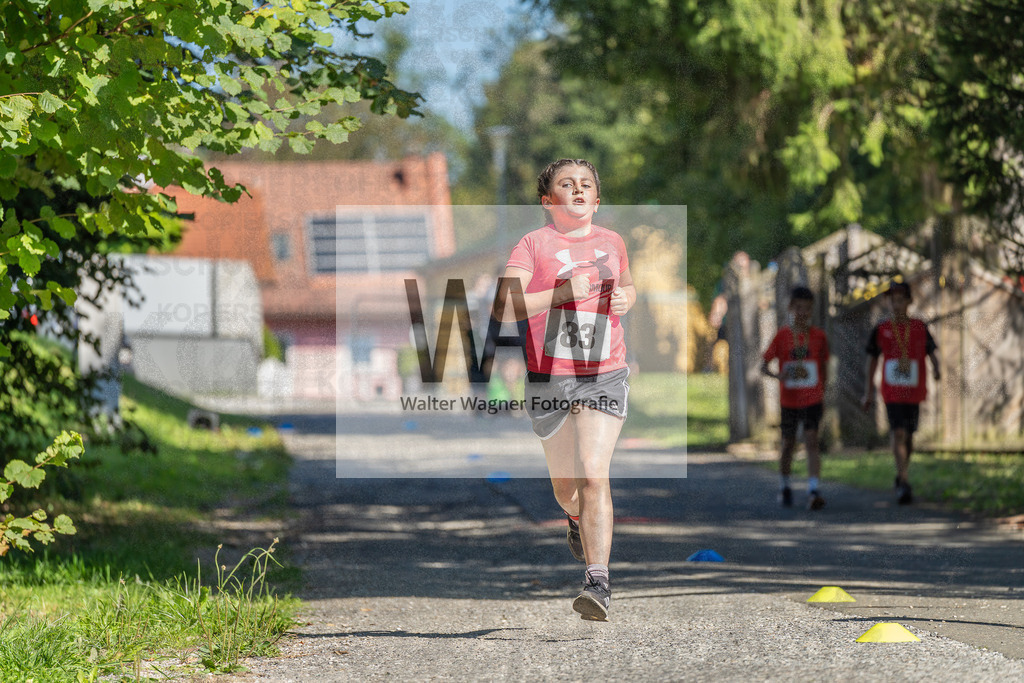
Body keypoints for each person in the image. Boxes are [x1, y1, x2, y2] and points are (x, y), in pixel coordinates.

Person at [499, 158, 635, 621]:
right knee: (566, 490)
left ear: (597, 199)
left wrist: (626, 297)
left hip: (604, 371)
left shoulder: (613, 242)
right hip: (549, 376)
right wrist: (561, 293)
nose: (577, 190)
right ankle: (574, 520)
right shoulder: (533, 244)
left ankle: (597, 582)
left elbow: (630, 288)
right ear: (548, 200)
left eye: (586, 185)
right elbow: (505, 306)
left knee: (594, 474)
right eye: (565, 184)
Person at [862, 280, 940, 505]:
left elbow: (931, 350)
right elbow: (872, 360)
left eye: (900, 300)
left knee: (910, 435)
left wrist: (937, 368)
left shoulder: (919, 327)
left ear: (909, 301)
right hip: (892, 391)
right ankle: (904, 480)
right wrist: (868, 392)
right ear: (887, 303)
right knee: (898, 432)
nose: (896, 305)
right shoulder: (881, 329)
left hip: (914, 391)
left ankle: (901, 474)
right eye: (891, 300)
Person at [761, 286, 830, 510]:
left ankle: (813, 489)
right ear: (791, 308)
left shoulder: (819, 336)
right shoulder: (782, 336)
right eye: (798, 307)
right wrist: (778, 375)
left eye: (807, 309)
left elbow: (825, 366)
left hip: (812, 398)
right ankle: (785, 485)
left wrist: (823, 391)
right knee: (788, 444)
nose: (802, 313)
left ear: (812, 310)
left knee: (811, 440)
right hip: (789, 400)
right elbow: (764, 366)